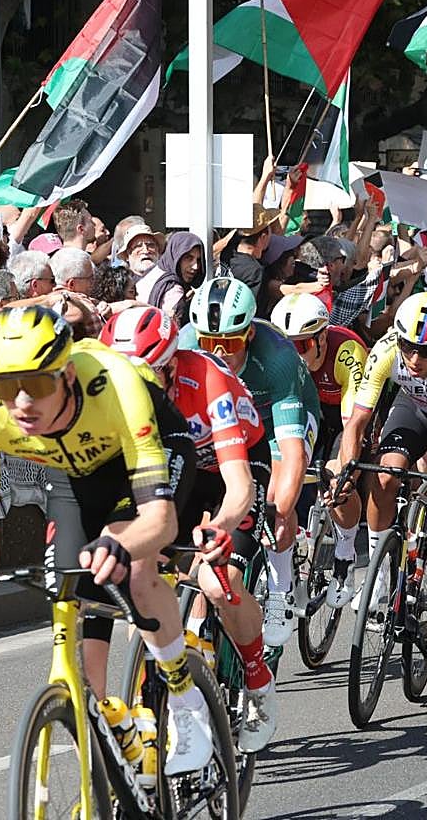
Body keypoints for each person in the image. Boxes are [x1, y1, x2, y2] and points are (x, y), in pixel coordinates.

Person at [0, 306, 214, 774]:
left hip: (147, 451)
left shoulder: (116, 384)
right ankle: (109, 738)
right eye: (4, 387)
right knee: (70, 586)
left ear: (68, 375)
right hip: (71, 473)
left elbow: (159, 522)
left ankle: (184, 695)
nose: (20, 402)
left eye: (36, 385)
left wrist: (122, 543)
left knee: (135, 567)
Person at [100, 305, 278, 752]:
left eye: (145, 376)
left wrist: (217, 528)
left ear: (171, 364)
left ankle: (258, 678)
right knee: (143, 573)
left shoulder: (207, 379)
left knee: (221, 584)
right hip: (175, 469)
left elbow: (239, 487)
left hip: (229, 463)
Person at [334, 292, 427, 664]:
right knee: (384, 477)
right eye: (409, 348)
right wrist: (348, 471)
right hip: (413, 410)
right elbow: (357, 422)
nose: (415, 359)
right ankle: (379, 572)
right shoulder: (385, 350)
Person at [183, 277, 320, 648]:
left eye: (229, 343)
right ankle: (196, 625)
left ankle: (281, 585)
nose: (219, 353)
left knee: (277, 494)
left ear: (248, 334)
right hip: (225, 422)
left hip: (278, 421)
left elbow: (291, 454)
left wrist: (279, 509)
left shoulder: (277, 358)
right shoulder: (185, 346)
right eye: (210, 343)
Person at [270, 292, 368, 607]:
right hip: (308, 411)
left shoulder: (346, 352)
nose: (294, 355)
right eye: (287, 346)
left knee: (337, 478)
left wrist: (340, 467)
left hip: (346, 416)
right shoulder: (280, 361)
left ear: (322, 336)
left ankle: (345, 553)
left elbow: (352, 424)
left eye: (302, 345)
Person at [139, 232, 204, 324]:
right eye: (188, 258)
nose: (195, 266)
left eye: (198, 260)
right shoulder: (174, 289)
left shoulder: (153, 270)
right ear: (176, 255)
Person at [225, 205, 280, 301]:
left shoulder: (227, 253)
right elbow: (252, 310)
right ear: (263, 237)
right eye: (270, 229)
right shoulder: (255, 271)